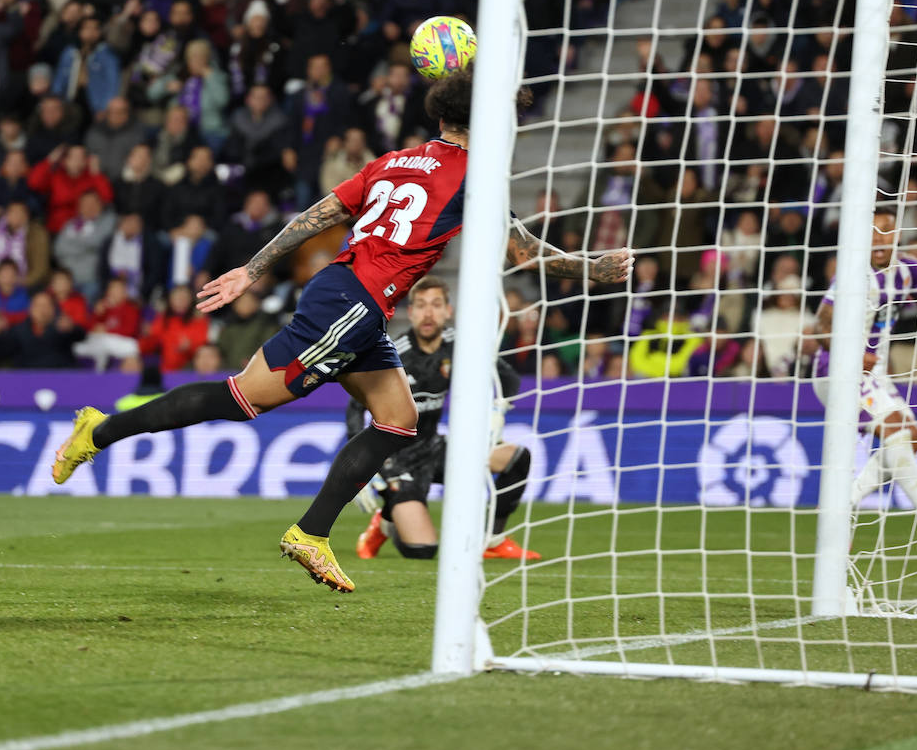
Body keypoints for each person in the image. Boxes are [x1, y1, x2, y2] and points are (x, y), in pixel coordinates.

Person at [52, 68, 633, 592]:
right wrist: (593, 268)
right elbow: (524, 252)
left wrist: (253, 270)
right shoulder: (472, 174)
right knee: (241, 400)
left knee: (399, 421)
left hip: (351, 296)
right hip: (352, 305)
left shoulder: (394, 161)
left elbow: (315, 218)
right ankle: (99, 432)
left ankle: (311, 533)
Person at [813, 206, 917, 545]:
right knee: (895, 432)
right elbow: (820, 327)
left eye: (886, 229)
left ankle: (843, 506)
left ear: (897, 235)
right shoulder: (852, 274)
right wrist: (850, 352)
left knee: (911, 437)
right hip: (837, 372)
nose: (878, 236)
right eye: (872, 230)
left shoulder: (909, 271)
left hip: (876, 375)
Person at [350, 276, 537, 561]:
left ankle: (492, 539)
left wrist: (499, 409)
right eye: (421, 306)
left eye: (436, 305)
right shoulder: (393, 356)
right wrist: (362, 467)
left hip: (435, 448)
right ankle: (385, 522)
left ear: (448, 311)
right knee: (422, 550)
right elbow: (354, 407)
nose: (429, 313)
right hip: (397, 460)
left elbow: (508, 377)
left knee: (517, 457)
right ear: (410, 312)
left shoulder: (458, 345)